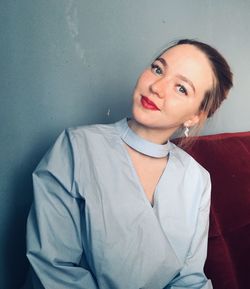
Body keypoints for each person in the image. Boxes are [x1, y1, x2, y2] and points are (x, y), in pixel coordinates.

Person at [24, 39, 233, 289]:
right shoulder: (75, 147)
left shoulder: (197, 179)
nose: (157, 87)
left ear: (194, 116)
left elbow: (190, 279)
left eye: (181, 88)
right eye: (158, 69)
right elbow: (53, 270)